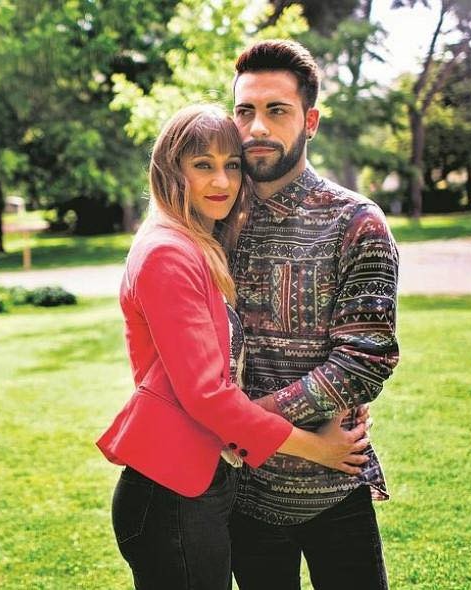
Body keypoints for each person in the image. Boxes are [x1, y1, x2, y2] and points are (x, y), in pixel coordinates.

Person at [96, 104, 371, 590]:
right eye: (203, 165)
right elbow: (207, 395)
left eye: (232, 165)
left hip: (195, 486)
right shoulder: (167, 252)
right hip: (171, 492)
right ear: (171, 170)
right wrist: (319, 450)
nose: (221, 180)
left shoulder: (196, 243)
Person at [227, 40, 400, 590]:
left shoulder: (357, 222)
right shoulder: (213, 224)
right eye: (245, 110)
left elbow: (364, 361)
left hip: (334, 485)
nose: (257, 127)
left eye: (276, 110)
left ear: (311, 121)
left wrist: (245, 421)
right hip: (241, 497)